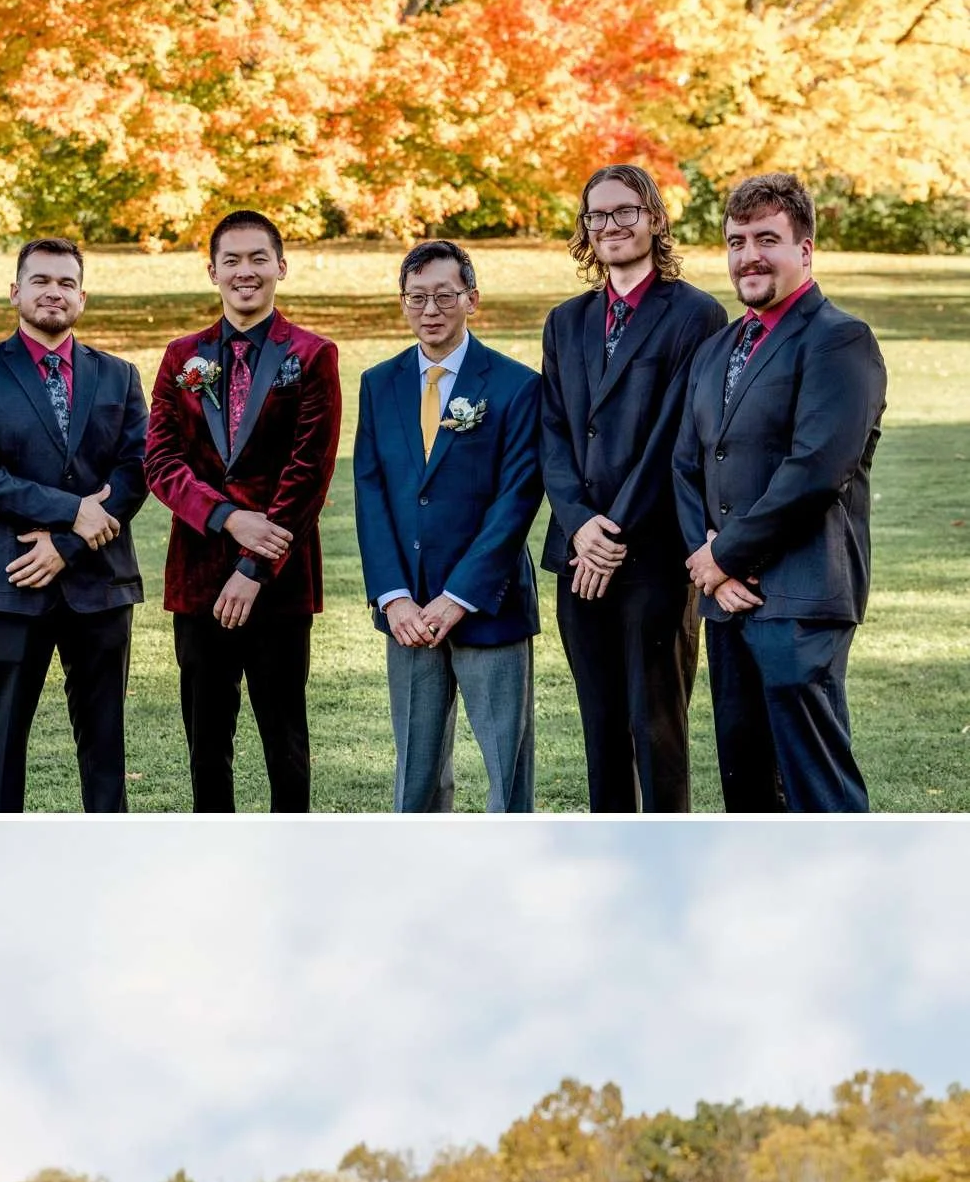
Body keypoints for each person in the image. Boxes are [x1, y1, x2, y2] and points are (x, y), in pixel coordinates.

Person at [675, 170, 886, 814]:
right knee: (746, 787)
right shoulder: (716, 350)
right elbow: (687, 465)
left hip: (801, 595)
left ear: (806, 250)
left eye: (766, 238)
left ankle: (853, 908)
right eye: (736, 242)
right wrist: (709, 565)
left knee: (816, 786)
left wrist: (726, 555)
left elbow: (816, 469)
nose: (748, 256)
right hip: (727, 600)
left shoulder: (839, 339)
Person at [537, 165, 723, 814]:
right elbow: (552, 433)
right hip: (576, 557)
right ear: (585, 229)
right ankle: (608, 871)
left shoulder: (697, 315)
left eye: (625, 212)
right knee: (601, 729)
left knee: (658, 730)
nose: (611, 225)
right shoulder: (565, 321)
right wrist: (582, 526)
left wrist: (611, 533)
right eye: (598, 215)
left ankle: (670, 872)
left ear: (654, 219)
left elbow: (677, 436)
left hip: (654, 558)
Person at [143, 207, 342, 812]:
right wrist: (227, 517)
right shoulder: (183, 358)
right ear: (212, 271)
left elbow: (309, 472)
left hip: (278, 582)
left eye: (259, 258)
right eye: (232, 260)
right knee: (206, 744)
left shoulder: (311, 355)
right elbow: (160, 461)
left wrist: (255, 564)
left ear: (280, 266)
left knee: (286, 742)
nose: (245, 271)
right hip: (199, 577)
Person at [0, 237, 148, 814]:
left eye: (65, 283)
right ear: (15, 292)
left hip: (100, 582)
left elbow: (136, 471)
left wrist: (69, 540)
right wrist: (70, 509)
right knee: (0, 741)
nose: (53, 292)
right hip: (11, 580)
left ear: (81, 296)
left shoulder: (119, 376)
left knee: (105, 741)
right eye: (40, 280)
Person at [353, 239, 543, 812]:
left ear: (471, 299)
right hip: (407, 610)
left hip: (489, 605)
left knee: (506, 772)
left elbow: (517, 498)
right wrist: (394, 598)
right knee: (416, 770)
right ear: (403, 303)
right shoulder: (378, 383)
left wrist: (459, 597)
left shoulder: (515, 385)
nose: (429, 310)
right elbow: (370, 493)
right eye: (416, 298)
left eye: (443, 296)